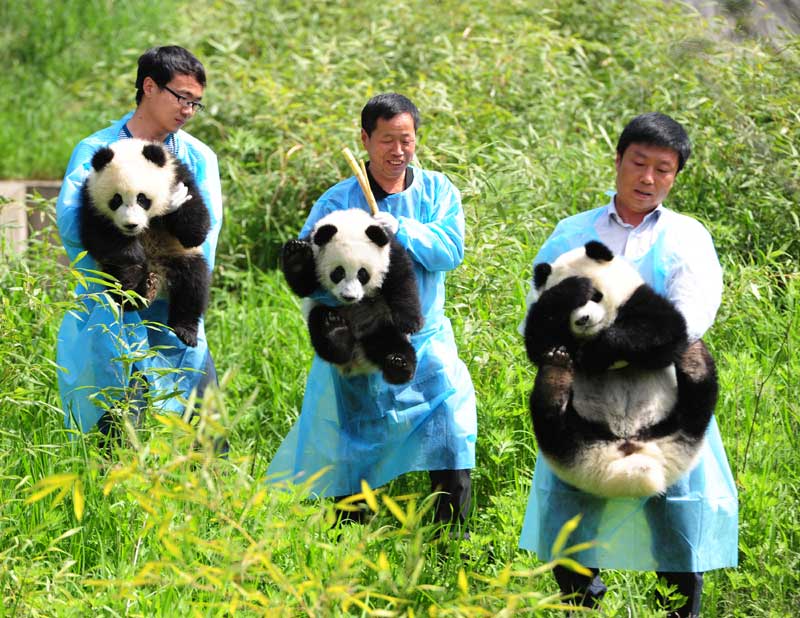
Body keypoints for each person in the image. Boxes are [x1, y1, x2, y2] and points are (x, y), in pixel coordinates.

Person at [518, 113, 738, 617]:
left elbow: (684, 327)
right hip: (587, 410)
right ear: (617, 160)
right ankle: (579, 607)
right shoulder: (572, 234)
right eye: (639, 163)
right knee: (575, 534)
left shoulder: (688, 237)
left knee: (677, 534)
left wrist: (598, 350)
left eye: (663, 169)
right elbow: (537, 317)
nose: (648, 178)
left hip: (663, 407)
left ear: (676, 175)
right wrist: (624, 346)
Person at [267, 93, 477, 532]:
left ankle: (451, 541)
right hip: (360, 350)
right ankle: (349, 546)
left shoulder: (438, 191)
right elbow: (311, 272)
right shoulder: (336, 201)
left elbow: (451, 251)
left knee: (451, 439)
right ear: (365, 140)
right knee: (353, 449)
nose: (398, 151)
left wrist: (405, 231)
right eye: (387, 141)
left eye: (407, 140)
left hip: (428, 344)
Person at [55, 46, 223, 441]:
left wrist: (175, 228)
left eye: (196, 103)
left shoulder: (197, 156)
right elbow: (74, 228)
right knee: (116, 433)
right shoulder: (97, 151)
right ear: (149, 87)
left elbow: (205, 236)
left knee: (201, 438)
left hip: (176, 308)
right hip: (112, 310)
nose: (188, 110)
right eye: (182, 98)